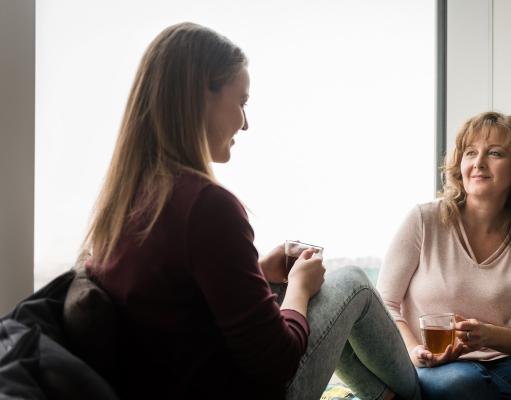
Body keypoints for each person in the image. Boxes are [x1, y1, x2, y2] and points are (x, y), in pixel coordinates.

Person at [83, 22, 420, 400]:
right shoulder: (207, 205)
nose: (245, 123)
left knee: (283, 289)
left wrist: (257, 272)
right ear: (201, 97)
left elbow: (178, 302)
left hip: (172, 379)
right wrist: (299, 288)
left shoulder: (124, 202)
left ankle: (386, 398)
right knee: (353, 282)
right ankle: (423, 396)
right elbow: (278, 364)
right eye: (241, 102)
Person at [377, 111, 511, 400]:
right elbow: (385, 304)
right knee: (464, 386)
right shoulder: (424, 220)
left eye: (494, 153)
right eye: (470, 153)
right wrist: (416, 352)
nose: (478, 163)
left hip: (504, 358)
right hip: (435, 361)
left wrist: (490, 335)